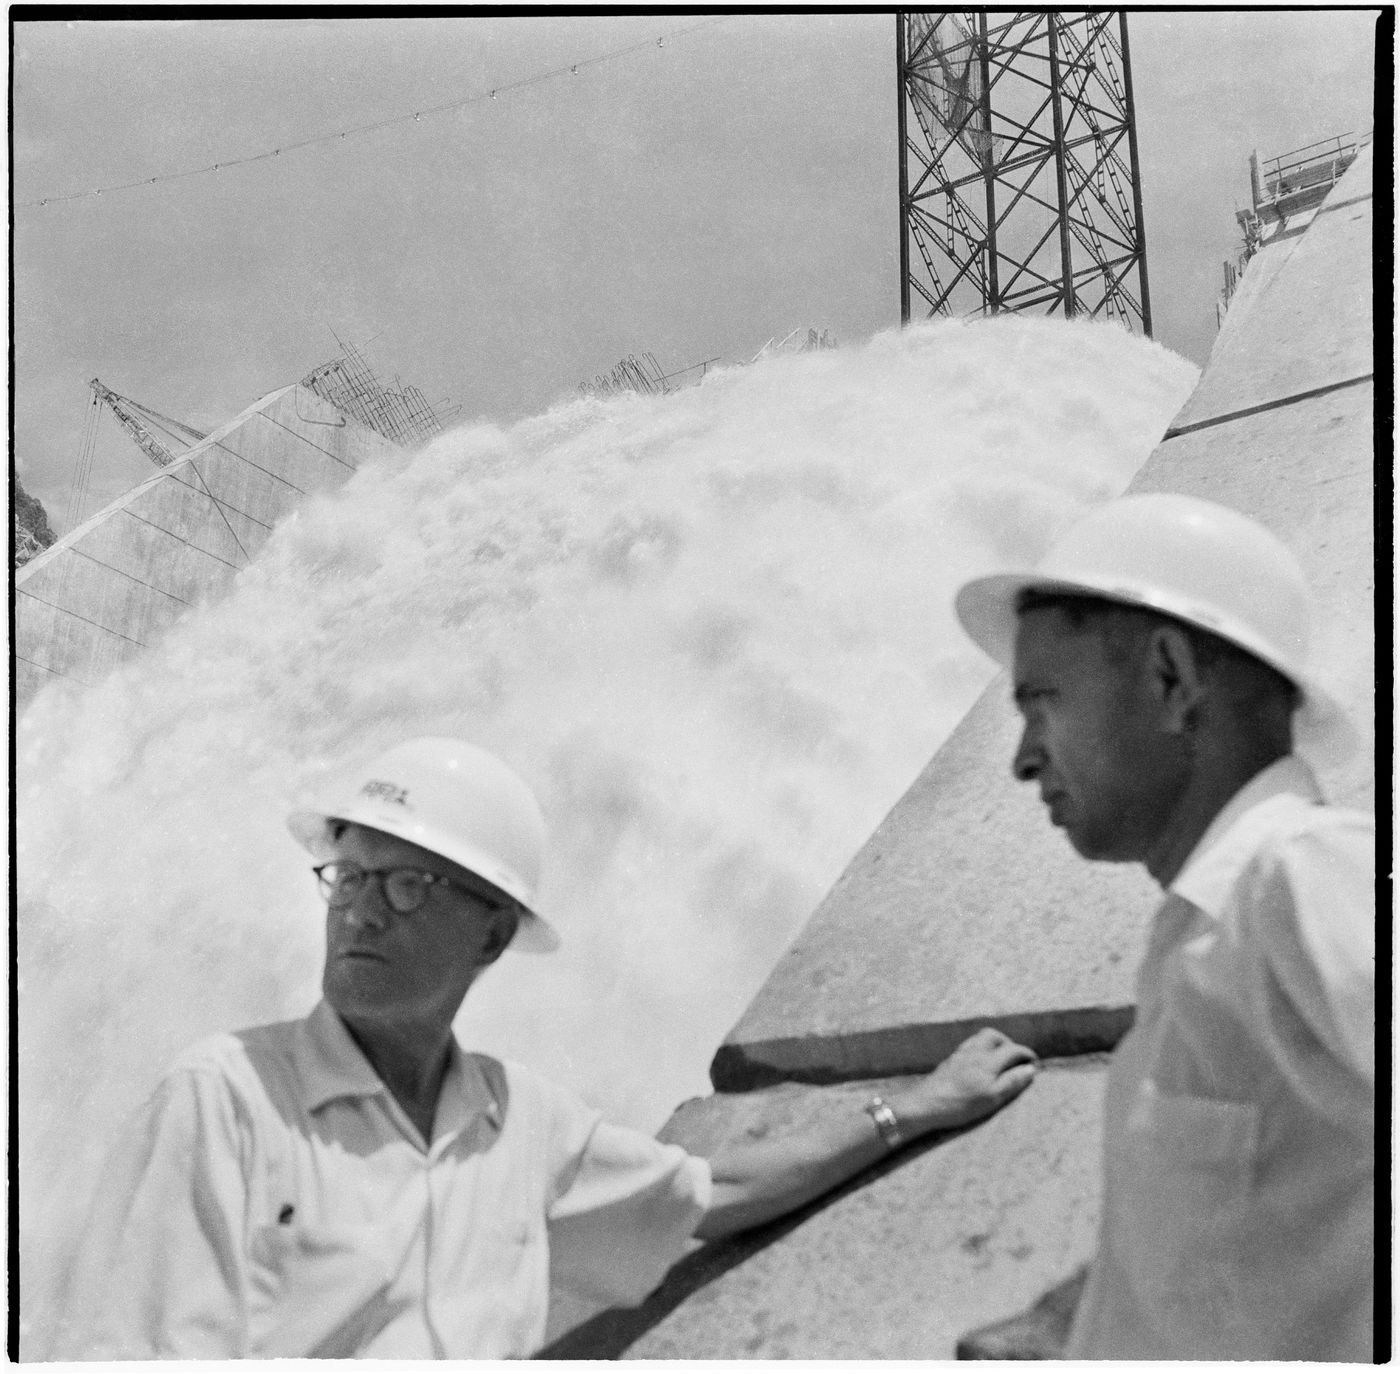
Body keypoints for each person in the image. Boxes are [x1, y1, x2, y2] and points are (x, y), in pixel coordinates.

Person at [50, 736, 1038, 1359]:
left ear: (489, 936)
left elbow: (713, 1194)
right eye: (347, 879)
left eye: (405, 887)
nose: (359, 913)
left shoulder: (516, 1125)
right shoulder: (221, 1100)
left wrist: (911, 1108)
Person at [952, 492, 1374, 1360]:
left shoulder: (1302, 876)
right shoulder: (1210, 926)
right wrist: (1077, 1316)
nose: (1024, 757)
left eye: (1043, 703)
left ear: (1173, 679)